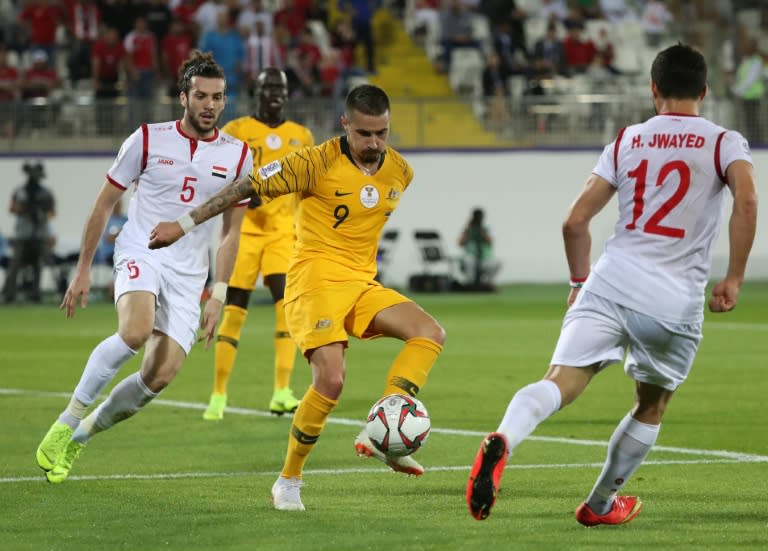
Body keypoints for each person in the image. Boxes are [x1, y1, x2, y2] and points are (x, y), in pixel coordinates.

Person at [466, 43, 758, 525]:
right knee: (652, 403)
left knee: (558, 381)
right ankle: (599, 504)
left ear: (654, 89)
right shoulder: (724, 141)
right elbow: (746, 203)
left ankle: (504, 438)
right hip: (673, 298)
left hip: (611, 280)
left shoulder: (627, 141)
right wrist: (734, 277)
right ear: (704, 92)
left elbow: (574, 222)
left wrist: (580, 282)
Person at [149, 84, 446, 512]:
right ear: (345, 125)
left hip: (361, 283)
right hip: (313, 282)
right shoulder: (314, 162)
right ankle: (288, 481)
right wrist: (184, 223)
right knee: (331, 380)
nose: (374, 143)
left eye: (382, 133)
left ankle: (384, 428)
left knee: (429, 333)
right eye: (364, 134)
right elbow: (244, 187)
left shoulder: (400, 171)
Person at [34, 50, 253, 484]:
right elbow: (104, 205)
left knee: (159, 376)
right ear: (183, 98)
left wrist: (220, 292)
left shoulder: (240, 156)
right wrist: (82, 270)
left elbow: (231, 233)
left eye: (218, 97)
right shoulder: (148, 139)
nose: (210, 105)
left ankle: (78, 439)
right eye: (202, 96)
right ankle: (66, 420)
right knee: (134, 331)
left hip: (191, 274)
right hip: (143, 249)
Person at [201, 67, 314, 421]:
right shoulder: (236, 132)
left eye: (280, 88)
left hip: (283, 232)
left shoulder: (302, 136)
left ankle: (282, 391)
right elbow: (218, 176)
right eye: (268, 88)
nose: (275, 94)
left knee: (285, 304)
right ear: (257, 92)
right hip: (244, 232)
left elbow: (309, 186)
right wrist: (247, 198)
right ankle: (218, 394)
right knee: (235, 307)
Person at [2, 160, 55, 304]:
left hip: (39, 235)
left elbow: (52, 212)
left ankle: (35, 293)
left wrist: (40, 214)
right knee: (15, 263)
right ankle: (9, 294)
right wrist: (24, 209)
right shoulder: (20, 191)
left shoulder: (45, 193)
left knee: (39, 264)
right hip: (22, 235)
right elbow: (11, 208)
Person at [458, 207, 500, 291]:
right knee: (468, 260)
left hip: (484, 257)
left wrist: (482, 231)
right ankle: (470, 284)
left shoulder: (485, 229)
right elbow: (460, 243)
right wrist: (468, 231)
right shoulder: (468, 229)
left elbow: (490, 242)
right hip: (471, 256)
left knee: (497, 263)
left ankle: (486, 283)